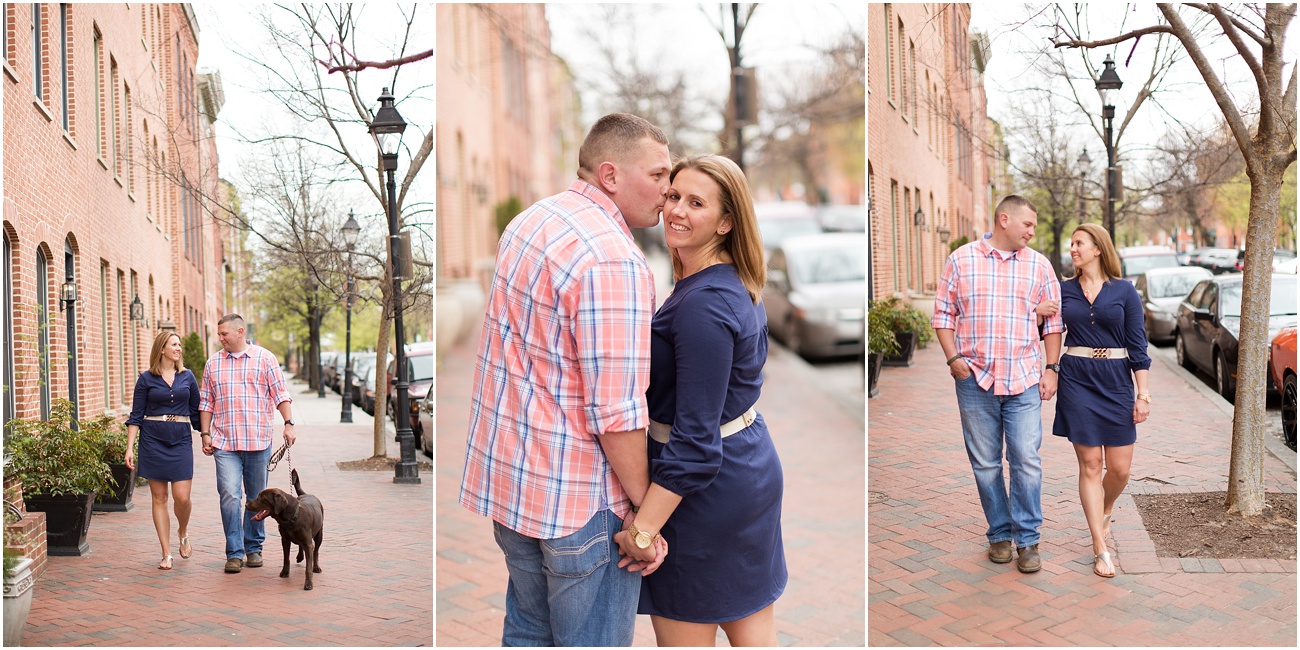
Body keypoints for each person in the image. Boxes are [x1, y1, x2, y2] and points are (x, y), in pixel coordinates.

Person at [459, 112, 671, 646]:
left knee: (529, 634)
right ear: (611, 174)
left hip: (513, 486)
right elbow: (617, 412)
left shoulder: (531, 222)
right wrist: (645, 518)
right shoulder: (613, 261)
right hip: (583, 504)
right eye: (659, 175)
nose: (669, 192)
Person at [614, 154, 786, 646]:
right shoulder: (728, 283)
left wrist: (643, 532)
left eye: (696, 203)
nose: (676, 210)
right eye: (673, 196)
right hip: (744, 468)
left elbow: (694, 445)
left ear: (727, 222)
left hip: (703, 494)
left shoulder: (704, 305)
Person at [932, 195, 1064, 573]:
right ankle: (999, 535)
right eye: (1028, 225)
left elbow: (1054, 323)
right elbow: (943, 314)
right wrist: (954, 359)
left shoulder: (1039, 266)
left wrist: (1051, 368)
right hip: (975, 381)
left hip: (1023, 380)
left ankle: (1028, 540)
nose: (1032, 231)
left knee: (1026, 460)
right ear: (1004, 219)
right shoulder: (962, 260)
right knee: (986, 464)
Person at [1045, 223, 1151, 578]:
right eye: (1071, 243)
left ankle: (1105, 508)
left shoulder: (1124, 291)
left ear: (1098, 249)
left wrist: (1143, 393)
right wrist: (1040, 311)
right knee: (1091, 465)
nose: (1073, 249)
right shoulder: (1063, 291)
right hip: (1077, 379)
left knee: (1119, 469)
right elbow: (1047, 331)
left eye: (1079, 243)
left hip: (1116, 380)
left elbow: (1138, 346)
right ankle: (1099, 546)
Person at [199, 314, 295, 574]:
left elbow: (280, 394)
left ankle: (253, 547)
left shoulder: (265, 359)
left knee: (256, 499)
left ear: (240, 332)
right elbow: (206, 402)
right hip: (225, 443)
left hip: (258, 442)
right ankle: (234, 552)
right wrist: (205, 434)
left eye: (224, 334)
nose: (220, 339)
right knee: (230, 495)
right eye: (219, 335)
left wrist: (288, 423)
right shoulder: (213, 363)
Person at [125, 331, 202, 570]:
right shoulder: (146, 379)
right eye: (174, 344)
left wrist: (208, 436)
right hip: (152, 440)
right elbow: (136, 416)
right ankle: (166, 552)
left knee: (182, 497)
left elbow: (197, 412)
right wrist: (130, 448)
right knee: (159, 498)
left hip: (180, 439)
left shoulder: (187, 376)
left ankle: (183, 530)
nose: (179, 348)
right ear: (162, 349)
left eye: (179, 345)